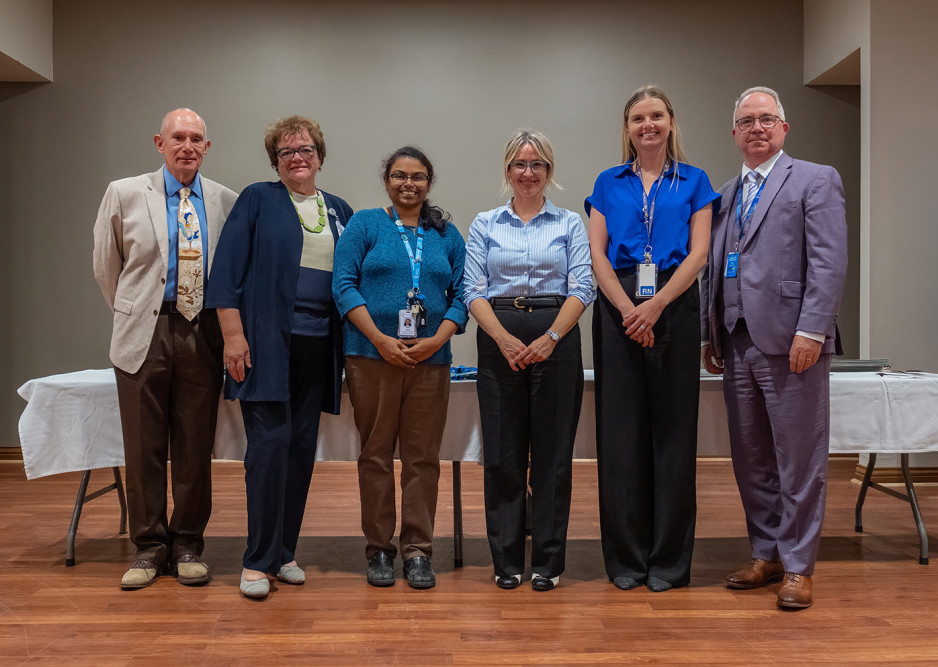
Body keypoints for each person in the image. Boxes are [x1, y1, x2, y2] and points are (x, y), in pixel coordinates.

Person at [701, 86, 847, 610]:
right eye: (747, 121)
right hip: (737, 344)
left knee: (799, 458)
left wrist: (812, 331)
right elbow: (715, 270)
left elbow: (829, 263)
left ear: (784, 128)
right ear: (734, 133)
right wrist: (709, 333)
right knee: (751, 458)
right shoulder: (723, 195)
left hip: (793, 344)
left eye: (767, 119)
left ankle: (800, 565)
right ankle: (767, 553)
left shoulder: (814, 179)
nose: (757, 128)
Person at [206, 116, 353, 599]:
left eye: (306, 149)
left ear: (320, 155)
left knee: (299, 451)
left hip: (319, 348)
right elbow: (226, 273)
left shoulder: (338, 210)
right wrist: (233, 336)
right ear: (275, 160)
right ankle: (256, 560)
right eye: (287, 150)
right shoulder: (258, 199)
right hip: (266, 345)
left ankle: (284, 552)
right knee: (268, 450)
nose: (298, 157)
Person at [93, 108, 238, 589]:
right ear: (160, 142)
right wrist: (136, 310)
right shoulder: (126, 192)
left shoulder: (224, 201)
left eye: (197, 138)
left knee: (196, 446)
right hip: (144, 332)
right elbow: (106, 263)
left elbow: (231, 272)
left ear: (207, 147)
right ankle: (150, 547)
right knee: (144, 447)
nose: (187, 146)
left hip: (202, 334)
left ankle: (189, 542)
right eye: (178, 137)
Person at [586, 86, 718, 593]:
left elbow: (700, 253)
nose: (648, 125)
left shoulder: (696, 181)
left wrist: (656, 305)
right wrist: (626, 308)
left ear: (670, 122)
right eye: (638, 117)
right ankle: (625, 559)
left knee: (673, 438)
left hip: (674, 302)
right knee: (621, 437)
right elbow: (597, 254)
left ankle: (667, 562)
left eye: (656, 115)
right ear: (627, 127)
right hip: (618, 303)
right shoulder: (607, 182)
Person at [464, 129, 593, 592]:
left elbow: (583, 286)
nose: (528, 173)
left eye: (537, 164)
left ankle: (548, 562)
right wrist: (501, 338)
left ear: (548, 172)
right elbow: (472, 290)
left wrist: (551, 337)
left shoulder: (570, 223)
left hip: (556, 341)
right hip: (498, 341)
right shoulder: (485, 223)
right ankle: (507, 561)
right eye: (520, 164)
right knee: (502, 455)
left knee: (553, 459)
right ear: (508, 171)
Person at [332, 146, 467, 590]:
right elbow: (344, 285)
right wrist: (380, 339)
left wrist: (437, 339)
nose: (408, 183)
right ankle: (379, 550)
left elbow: (464, 294)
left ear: (430, 183)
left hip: (431, 361)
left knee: (422, 459)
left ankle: (417, 552)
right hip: (371, 358)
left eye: (418, 176)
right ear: (386, 180)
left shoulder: (447, 234)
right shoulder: (365, 224)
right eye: (399, 175)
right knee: (374, 455)